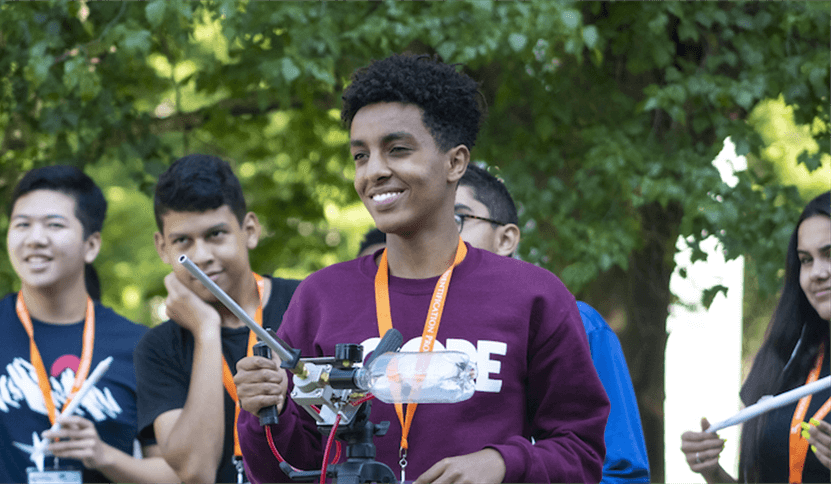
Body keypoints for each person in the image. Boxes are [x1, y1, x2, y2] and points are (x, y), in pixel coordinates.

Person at [234, 53, 609, 483]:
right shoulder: (322, 297)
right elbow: (284, 471)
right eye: (360, 155)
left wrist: (504, 463)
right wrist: (268, 409)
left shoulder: (533, 295)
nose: (374, 171)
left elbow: (581, 454)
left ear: (455, 163)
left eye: (397, 150)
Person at [0, 165, 177, 483]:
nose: (35, 239)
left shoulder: (139, 346)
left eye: (54, 224)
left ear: (91, 245)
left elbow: (174, 475)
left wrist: (104, 456)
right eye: (22, 225)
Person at [454, 162, 650, 483]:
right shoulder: (399, 329)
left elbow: (620, 472)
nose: (440, 235)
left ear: (506, 240)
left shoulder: (577, 323)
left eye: (457, 219)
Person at [133, 154, 300, 483]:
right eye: (183, 241)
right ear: (162, 247)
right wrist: (206, 331)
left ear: (249, 230)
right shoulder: (157, 347)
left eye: (215, 235)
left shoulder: (305, 303)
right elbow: (196, 472)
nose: (201, 257)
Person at [681, 190, 831, 483]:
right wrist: (712, 472)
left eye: (830, 254)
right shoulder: (786, 358)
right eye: (805, 259)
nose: (817, 272)